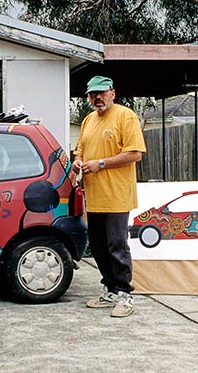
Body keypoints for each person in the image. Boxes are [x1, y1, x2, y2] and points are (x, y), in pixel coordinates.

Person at [72, 75, 146, 318]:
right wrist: (78, 162)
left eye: (102, 93)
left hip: (117, 195)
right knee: (99, 246)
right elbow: (79, 151)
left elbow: (135, 153)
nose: (97, 98)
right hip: (94, 196)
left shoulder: (125, 116)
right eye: (93, 94)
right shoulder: (88, 120)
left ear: (112, 93)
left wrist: (101, 163)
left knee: (116, 245)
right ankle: (111, 290)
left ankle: (125, 294)